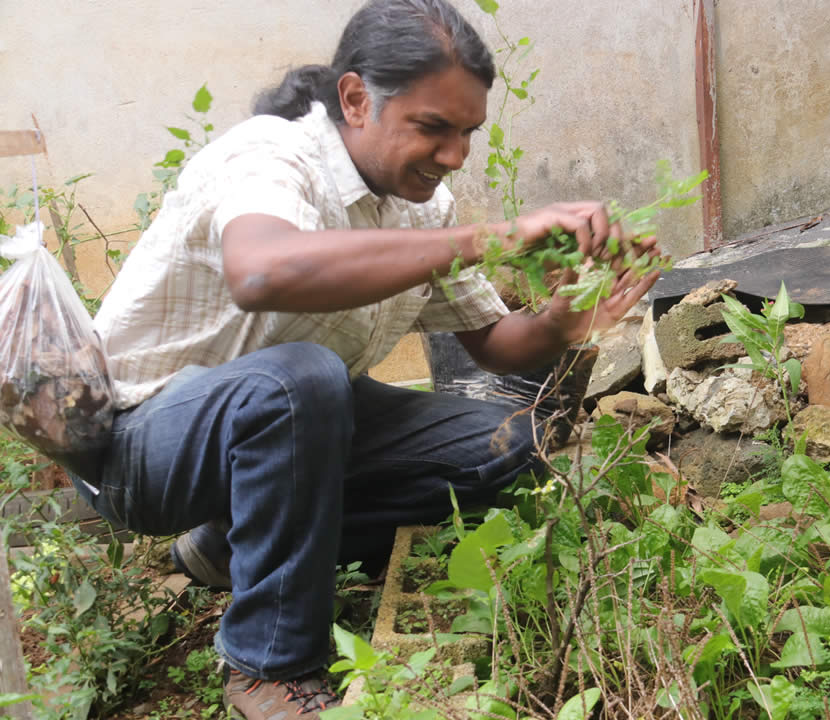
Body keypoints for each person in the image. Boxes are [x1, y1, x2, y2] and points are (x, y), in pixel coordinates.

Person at [67, 0, 661, 716]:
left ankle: (227, 549)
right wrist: (491, 236)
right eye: (433, 128)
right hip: (138, 446)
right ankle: (267, 666)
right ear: (355, 99)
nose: (455, 157)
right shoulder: (271, 154)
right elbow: (262, 271)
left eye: (468, 133)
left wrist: (568, 319)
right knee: (304, 381)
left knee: (509, 443)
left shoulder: (418, 208)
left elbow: (497, 345)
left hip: (280, 418)